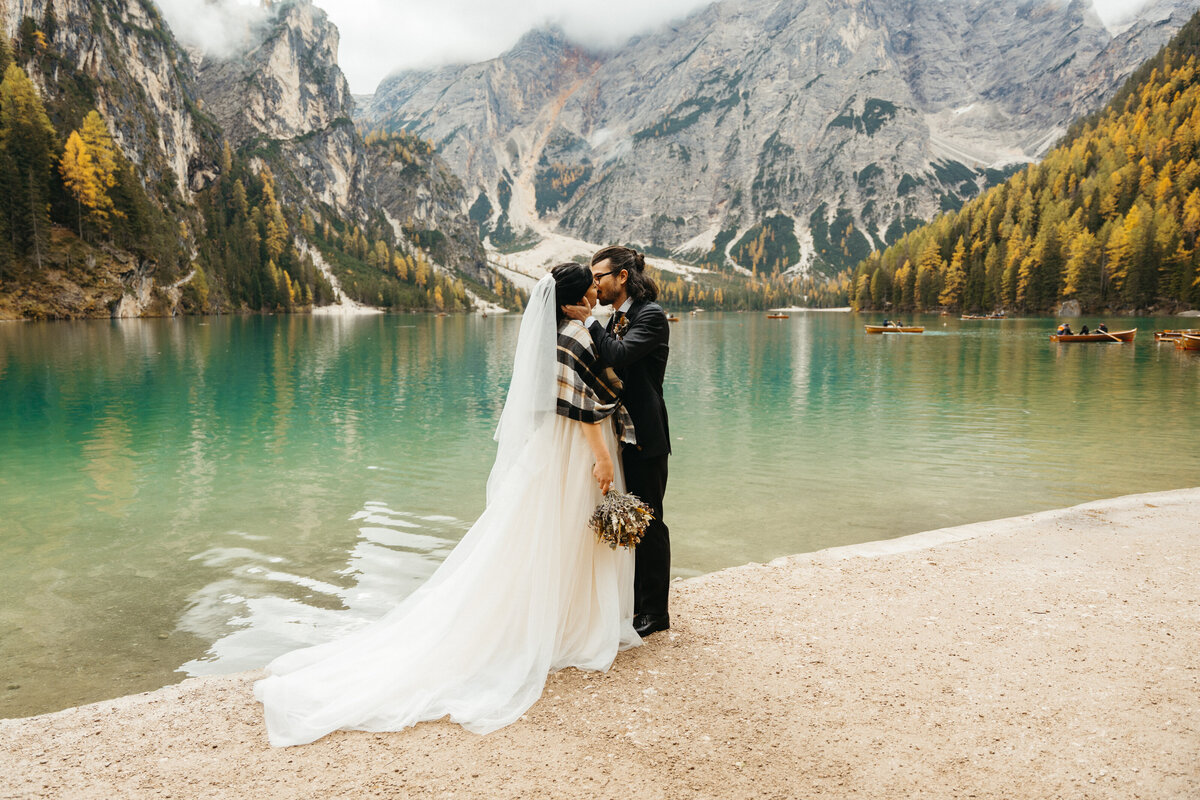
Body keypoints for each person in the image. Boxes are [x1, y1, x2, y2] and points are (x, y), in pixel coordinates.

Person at [254, 264, 640, 747]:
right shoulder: (575, 336)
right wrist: (603, 459)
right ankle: (569, 627)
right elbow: (583, 405)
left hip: (555, 450)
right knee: (567, 534)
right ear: (568, 301)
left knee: (554, 535)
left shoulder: (560, 335)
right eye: (586, 294)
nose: (593, 300)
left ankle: (557, 620)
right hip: (577, 452)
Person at [562, 246, 672, 638]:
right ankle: (634, 602)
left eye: (599, 277)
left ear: (622, 277)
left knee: (650, 521)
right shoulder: (616, 318)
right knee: (632, 519)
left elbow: (620, 355)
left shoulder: (651, 316)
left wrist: (589, 320)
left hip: (645, 435)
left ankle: (655, 612)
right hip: (620, 434)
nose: (595, 284)